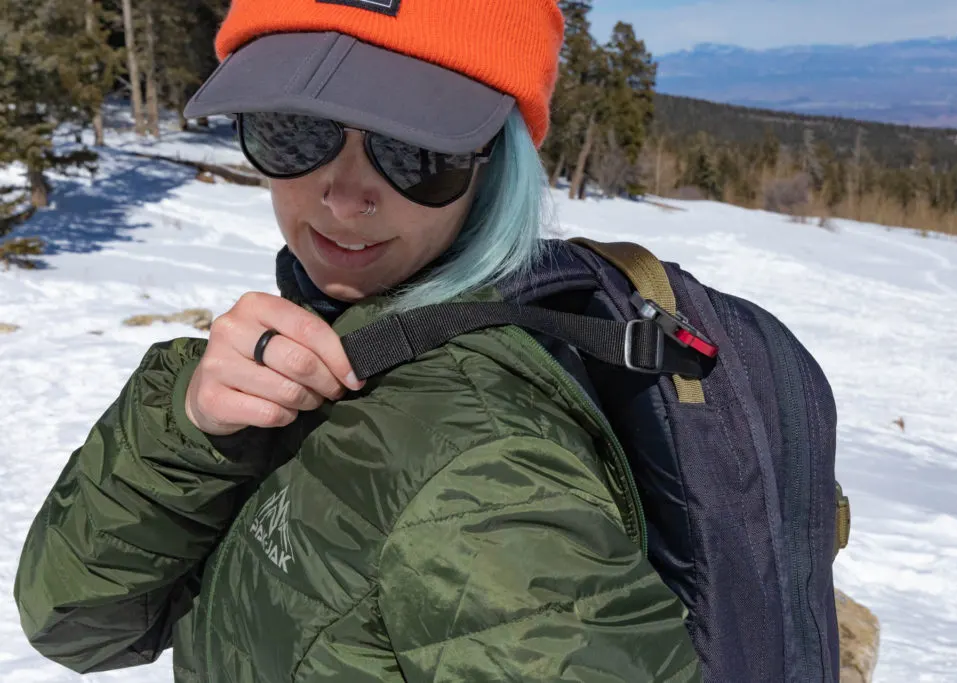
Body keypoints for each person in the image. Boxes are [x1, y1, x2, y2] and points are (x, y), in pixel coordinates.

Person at [14, 0, 702, 681]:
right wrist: (189, 432)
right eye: (296, 129)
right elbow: (75, 624)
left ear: (495, 166)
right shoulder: (326, 343)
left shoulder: (490, 474)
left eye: (414, 151)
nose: (343, 197)